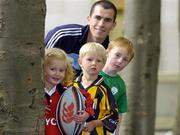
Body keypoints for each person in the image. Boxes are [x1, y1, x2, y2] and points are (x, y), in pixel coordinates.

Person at [45, 0, 117, 75]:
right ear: (89, 19)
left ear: (113, 25)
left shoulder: (109, 52)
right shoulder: (62, 36)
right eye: (98, 18)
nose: (101, 24)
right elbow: (40, 64)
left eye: (107, 20)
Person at [44, 48, 94, 135]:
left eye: (61, 70)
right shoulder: (33, 94)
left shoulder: (67, 92)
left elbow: (89, 99)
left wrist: (87, 113)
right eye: (52, 69)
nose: (57, 73)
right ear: (42, 69)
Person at [73, 42, 119, 135]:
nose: (94, 63)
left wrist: (94, 124)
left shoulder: (104, 90)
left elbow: (113, 116)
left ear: (103, 64)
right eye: (89, 59)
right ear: (80, 62)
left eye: (99, 61)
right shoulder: (71, 87)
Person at [99, 37, 135, 135]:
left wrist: (116, 132)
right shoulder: (93, 74)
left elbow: (119, 112)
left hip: (106, 128)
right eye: (117, 55)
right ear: (107, 52)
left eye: (125, 59)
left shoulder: (120, 84)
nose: (120, 61)